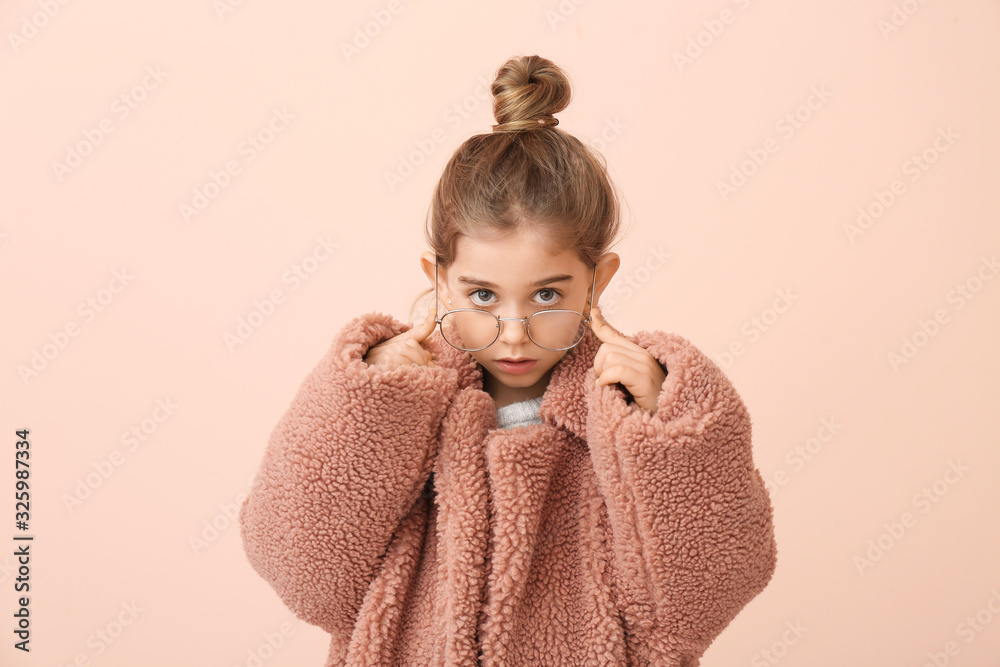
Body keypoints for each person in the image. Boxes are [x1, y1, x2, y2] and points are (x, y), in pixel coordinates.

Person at [239, 54, 777, 666]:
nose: (514, 334)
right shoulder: (401, 404)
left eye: (547, 295)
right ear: (439, 281)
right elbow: (302, 574)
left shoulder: (630, 415)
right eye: (482, 295)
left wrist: (670, 437)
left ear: (597, 280)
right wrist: (368, 409)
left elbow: (706, 598)